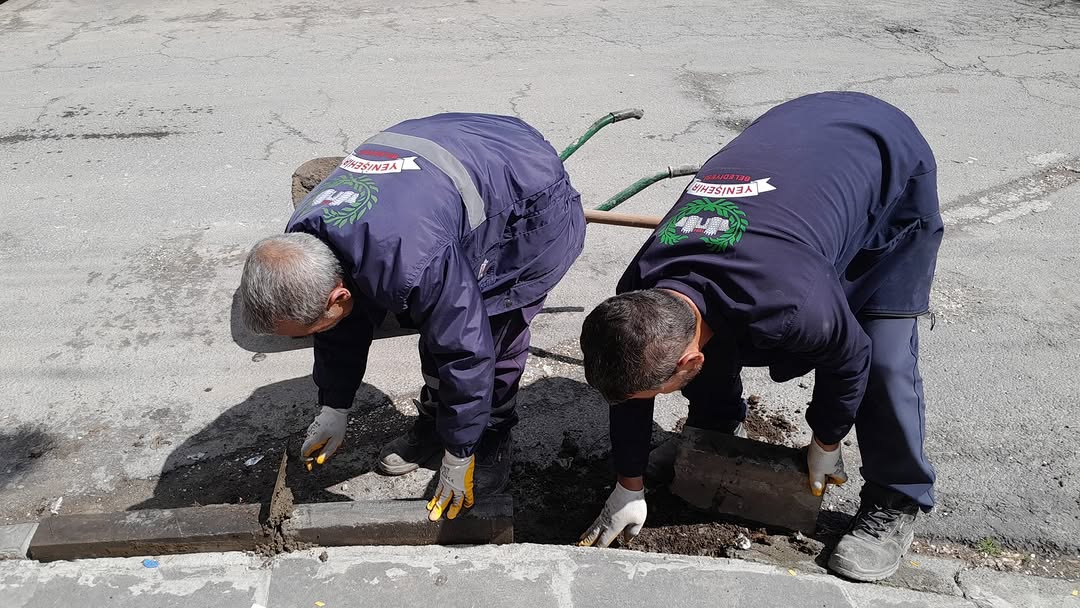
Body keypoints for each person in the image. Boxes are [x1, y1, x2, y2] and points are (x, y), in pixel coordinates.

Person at [577, 92, 943, 582]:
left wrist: (827, 439)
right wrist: (629, 484)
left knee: (885, 358)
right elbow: (632, 392)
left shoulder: (792, 306)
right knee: (711, 332)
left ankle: (896, 501)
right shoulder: (641, 291)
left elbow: (849, 357)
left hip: (886, 165)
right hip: (795, 143)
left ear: (689, 365)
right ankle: (713, 428)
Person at [239, 113, 585, 521]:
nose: (312, 338)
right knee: (435, 322)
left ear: (339, 295)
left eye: (312, 330)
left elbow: (465, 352)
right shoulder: (305, 237)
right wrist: (334, 406)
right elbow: (340, 325)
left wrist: (459, 454)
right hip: (449, 167)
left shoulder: (412, 260)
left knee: (492, 336)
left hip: (528, 206)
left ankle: (489, 436)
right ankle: (438, 420)